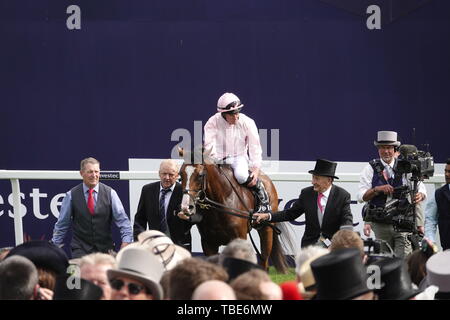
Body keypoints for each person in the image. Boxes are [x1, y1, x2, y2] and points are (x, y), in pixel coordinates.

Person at [254, 159, 353, 247]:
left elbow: (347, 220)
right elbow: (290, 214)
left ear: (329, 180)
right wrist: (267, 216)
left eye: (316, 178)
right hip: (309, 247)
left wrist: (340, 243)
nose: (312, 182)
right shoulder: (307, 193)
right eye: (313, 177)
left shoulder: (342, 196)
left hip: (333, 247)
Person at [358, 131, 427, 258]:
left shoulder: (406, 166)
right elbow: (361, 197)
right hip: (381, 224)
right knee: (384, 261)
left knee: (403, 261)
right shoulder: (370, 168)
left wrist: (420, 195)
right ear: (378, 149)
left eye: (389, 148)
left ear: (395, 149)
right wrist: (376, 190)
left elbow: (420, 188)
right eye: (382, 148)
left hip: (403, 223)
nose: (386, 151)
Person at [51, 157, 133, 259]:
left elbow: (123, 221)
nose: (94, 175)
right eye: (90, 172)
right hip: (80, 250)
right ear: (81, 173)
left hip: (105, 250)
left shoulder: (110, 193)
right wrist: (54, 247)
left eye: (96, 171)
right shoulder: (71, 195)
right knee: (81, 275)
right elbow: (62, 224)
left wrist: (126, 241)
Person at [203, 92, 270, 213]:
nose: (236, 117)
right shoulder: (212, 122)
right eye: (232, 114)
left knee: (241, 176)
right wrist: (213, 161)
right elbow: (209, 145)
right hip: (217, 159)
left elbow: (255, 147)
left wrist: (255, 169)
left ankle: (262, 195)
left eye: (237, 112)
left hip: (238, 158)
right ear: (223, 113)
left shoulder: (248, 122)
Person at [133, 159, 193, 251]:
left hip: (180, 247)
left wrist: (189, 217)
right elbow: (140, 219)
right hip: (155, 246)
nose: (167, 177)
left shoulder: (185, 191)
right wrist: (140, 240)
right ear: (159, 174)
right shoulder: (147, 190)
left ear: (177, 175)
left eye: (171, 175)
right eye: (164, 174)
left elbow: (198, 217)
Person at [424, 158, 450, 250]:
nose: (446, 174)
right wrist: (430, 240)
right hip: (447, 248)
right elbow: (430, 219)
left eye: (449, 172)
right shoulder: (438, 194)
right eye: (445, 171)